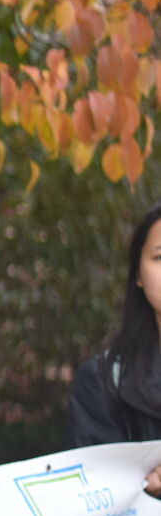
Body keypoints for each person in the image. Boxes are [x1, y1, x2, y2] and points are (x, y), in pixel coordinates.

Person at [66, 202, 161, 499]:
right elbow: (89, 501)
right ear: (138, 275)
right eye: (160, 257)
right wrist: (144, 491)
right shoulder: (103, 382)